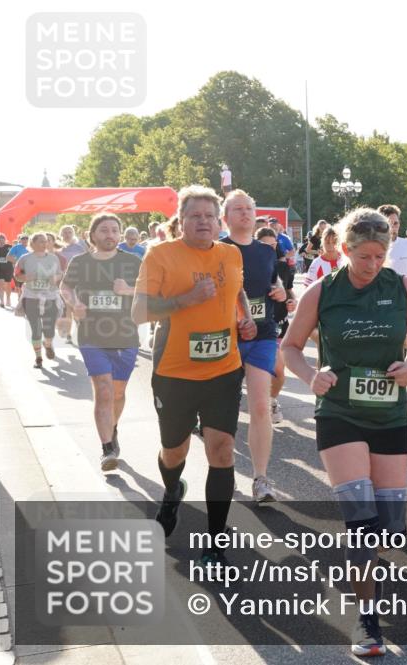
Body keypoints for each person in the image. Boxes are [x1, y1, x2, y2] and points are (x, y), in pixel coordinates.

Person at [281, 207, 407, 656]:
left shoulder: (402, 287)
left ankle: (369, 579)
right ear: (344, 250)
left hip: (389, 414)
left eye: (380, 254)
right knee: (362, 524)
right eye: (364, 255)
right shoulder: (322, 291)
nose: (373, 263)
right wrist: (311, 377)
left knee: (390, 527)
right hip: (340, 412)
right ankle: (367, 622)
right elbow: (290, 347)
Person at [132, 185, 256, 570]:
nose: (203, 222)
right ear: (180, 221)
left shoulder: (231, 253)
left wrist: (245, 316)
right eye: (194, 216)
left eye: (209, 216)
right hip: (174, 374)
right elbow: (138, 313)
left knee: (220, 450)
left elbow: (237, 291)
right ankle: (172, 491)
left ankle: (215, 543)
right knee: (175, 451)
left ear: (218, 221)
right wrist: (186, 299)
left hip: (223, 371)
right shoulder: (161, 255)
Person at [60, 214, 141, 471]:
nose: (110, 235)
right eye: (104, 230)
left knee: (117, 392)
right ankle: (107, 448)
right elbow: (65, 287)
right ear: (92, 235)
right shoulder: (80, 261)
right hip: (91, 334)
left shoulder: (132, 261)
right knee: (104, 390)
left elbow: (151, 290)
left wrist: (128, 290)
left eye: (114, 230)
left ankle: (112, 428)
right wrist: (75, 304)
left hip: (125, 334)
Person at [221, 190, 288, 503]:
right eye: (237, 209)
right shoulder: (217, 249)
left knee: (260, 405)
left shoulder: (265, 251)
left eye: (249, 208)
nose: (245, 213)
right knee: (225, 411)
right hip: (225, 339)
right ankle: (224, 470)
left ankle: (261, 479)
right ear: (226, 217)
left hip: (261, 334)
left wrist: (280, 292)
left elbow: (275, 284)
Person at [256, 227, 296, 425]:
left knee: (279, 372)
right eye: (265, 246)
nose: (271, 250)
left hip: (277, 326)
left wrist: (291, 301)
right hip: (248, 329)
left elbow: (289, 291)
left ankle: (271, 400)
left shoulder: (283, 268)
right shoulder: (245, 265)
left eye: (274, 245)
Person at [14, 233, 63, 368]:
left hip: (50, 297)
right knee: (36, 329)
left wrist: (56, 278)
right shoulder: (25, 258)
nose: (44, 244)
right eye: (41, 241)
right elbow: (17, 275)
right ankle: (38, 358)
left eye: (46, 241)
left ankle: (47, 344)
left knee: (49, 330)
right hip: (31, 297)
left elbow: (60, 273)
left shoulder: (53, 258)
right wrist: (25, 277)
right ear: (33, 243)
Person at [56, 225, 87, 343]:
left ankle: (80, 329)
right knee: (67, 308)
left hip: (79, 281)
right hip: (64, 282)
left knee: (76, 307)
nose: (67, 234)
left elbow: (87, 260)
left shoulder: (80, 246)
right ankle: (69, 334)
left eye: (69, 232)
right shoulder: (57, 248)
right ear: (61, 234)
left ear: (73, 233)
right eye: (65, 232)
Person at [7, 234, 30, 308]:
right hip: (19, 269)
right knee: (19, 286)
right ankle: (20, 298)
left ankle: (24, 300)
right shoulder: (16, 247)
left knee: (27, 285)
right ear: (20, 239)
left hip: (30, 269)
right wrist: (18, 261)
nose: (25, 240)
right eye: (23, 238)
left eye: (26, 238)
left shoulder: (31, 247)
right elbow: (8, 257)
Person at [0, 234, 12, 308]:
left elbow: (14, 255)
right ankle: (2, 301)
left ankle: (8, 298)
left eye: (2, 238)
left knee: (7, 285)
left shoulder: (9, 247)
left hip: (8, 268)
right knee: (0, 283)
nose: (1, 240)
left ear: (5, 239)